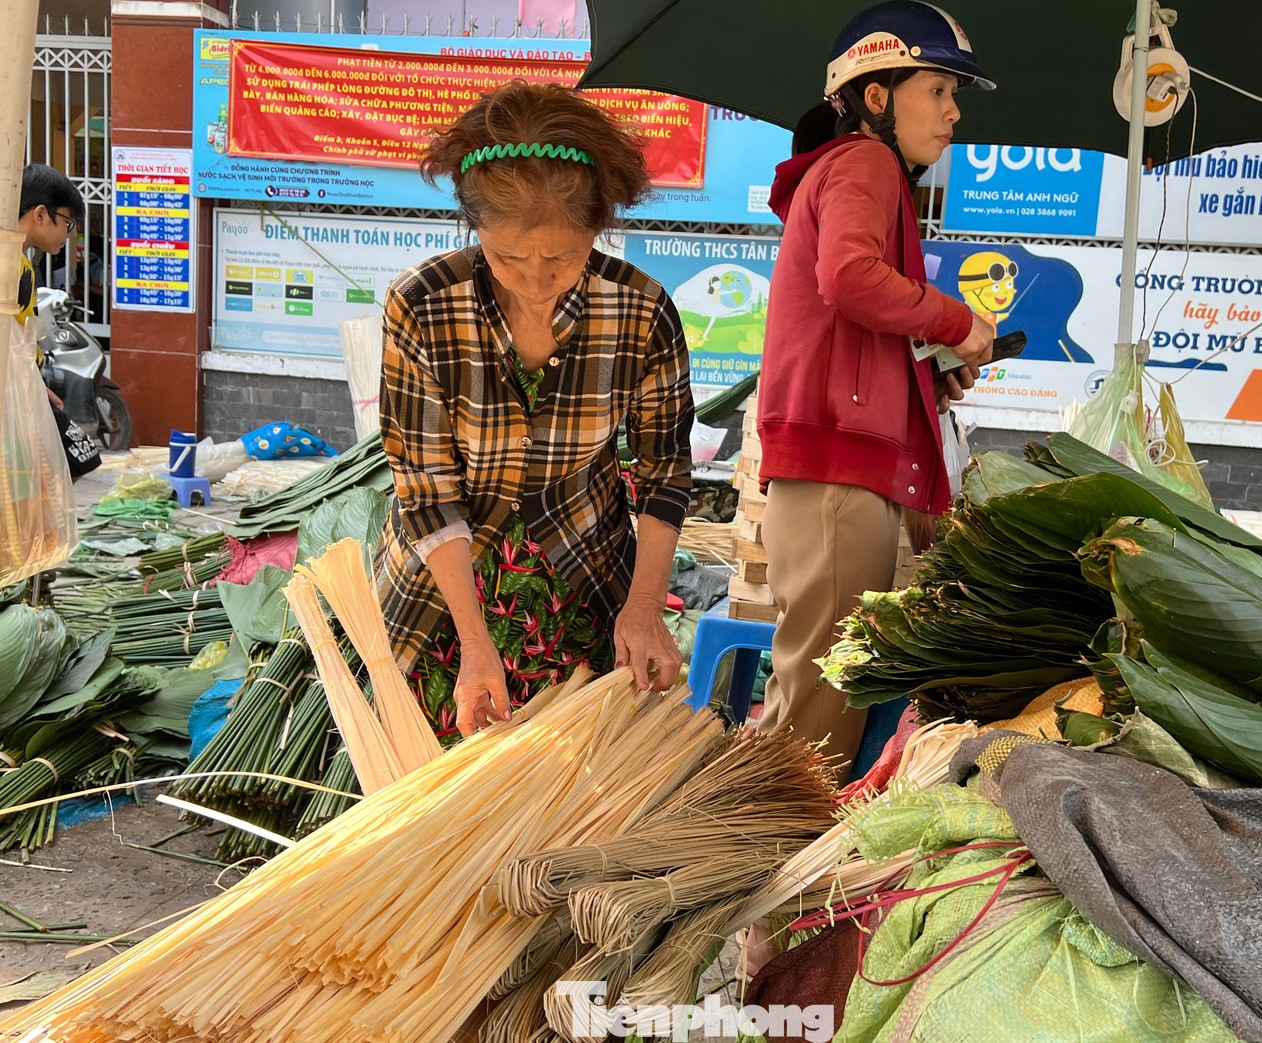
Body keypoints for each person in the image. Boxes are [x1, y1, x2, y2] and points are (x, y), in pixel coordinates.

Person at [375, 81, 695, 738]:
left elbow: (665, 473)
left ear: (596, 230)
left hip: (582, 583)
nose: (534, 280)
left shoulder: (640, 310)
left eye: (562, 257)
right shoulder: (423, 305)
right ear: (475, 230)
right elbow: (427, 488)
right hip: (444, 591)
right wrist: (475, 640)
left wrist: (642, 610)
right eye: (507, 256)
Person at [755, 1, 997, 775]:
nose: (954, 113)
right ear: (875, 93)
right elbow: (850, 278)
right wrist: (959, 319)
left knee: (823, 707)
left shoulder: (860, 172)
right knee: (815, 729)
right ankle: (764, 872)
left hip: (842, 470)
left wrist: (931, 369)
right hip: (836, 475)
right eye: (939, 90)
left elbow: (854, 318)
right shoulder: (866, 163)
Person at [17, 163, 101, 481]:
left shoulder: (24, 264)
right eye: (67, 223)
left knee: (71, 462)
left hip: (27, 385)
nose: (70, 235)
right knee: (74, 460)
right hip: (15, 391)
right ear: (40, 214)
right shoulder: (13, 267)